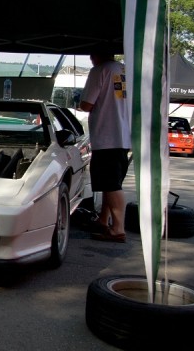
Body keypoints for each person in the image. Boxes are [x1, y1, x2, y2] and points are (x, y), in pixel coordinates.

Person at [79, 48, 131, 243]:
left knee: (112, 184)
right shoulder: (126, 71)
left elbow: (87, 104)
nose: (91, 59)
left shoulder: (99, 71)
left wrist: (80, 101)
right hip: (123, 136)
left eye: (91, 55)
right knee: (111, 183)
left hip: (106, 136)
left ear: (95, 55)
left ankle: (117, 229)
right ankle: (103, 220)